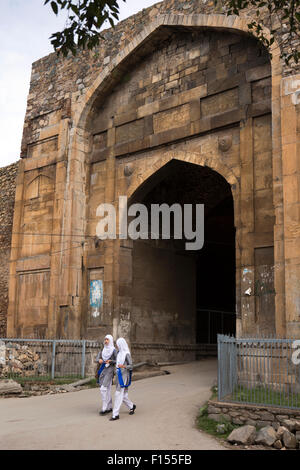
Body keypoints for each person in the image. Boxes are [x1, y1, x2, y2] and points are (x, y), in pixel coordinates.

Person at [110, 337, 136, 421]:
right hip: (118, 375)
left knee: (118, 394)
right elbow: (117, 362)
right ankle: (132, 406)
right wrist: (110, 361)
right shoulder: (119, 353)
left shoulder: (126, 354)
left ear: (121, 344)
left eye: (118, 344)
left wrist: (124, 366)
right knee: (123, 395)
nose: (116, 345)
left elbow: (131, 366)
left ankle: (115, 414)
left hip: (124, 376)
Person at [95, 334, 117, 416]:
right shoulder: (103, 350)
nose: (106, 341)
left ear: (110, 340)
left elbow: (118, 360)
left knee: (103, 389)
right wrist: (99, 360)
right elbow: (97, 358)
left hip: (110, 370)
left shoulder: (114, 350)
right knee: (107, 389)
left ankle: (104, 407)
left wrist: (110, 361)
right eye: (105, 339)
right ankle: (109, 406)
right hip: (102, 370)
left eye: (107, 340)